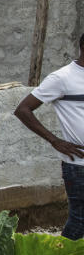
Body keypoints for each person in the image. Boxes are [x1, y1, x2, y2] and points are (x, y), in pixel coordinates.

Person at [14, 36, 84, 239]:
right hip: (79, 164)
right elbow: (23, 110)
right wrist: (55, 140)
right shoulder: (62, 78)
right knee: (80, 219)